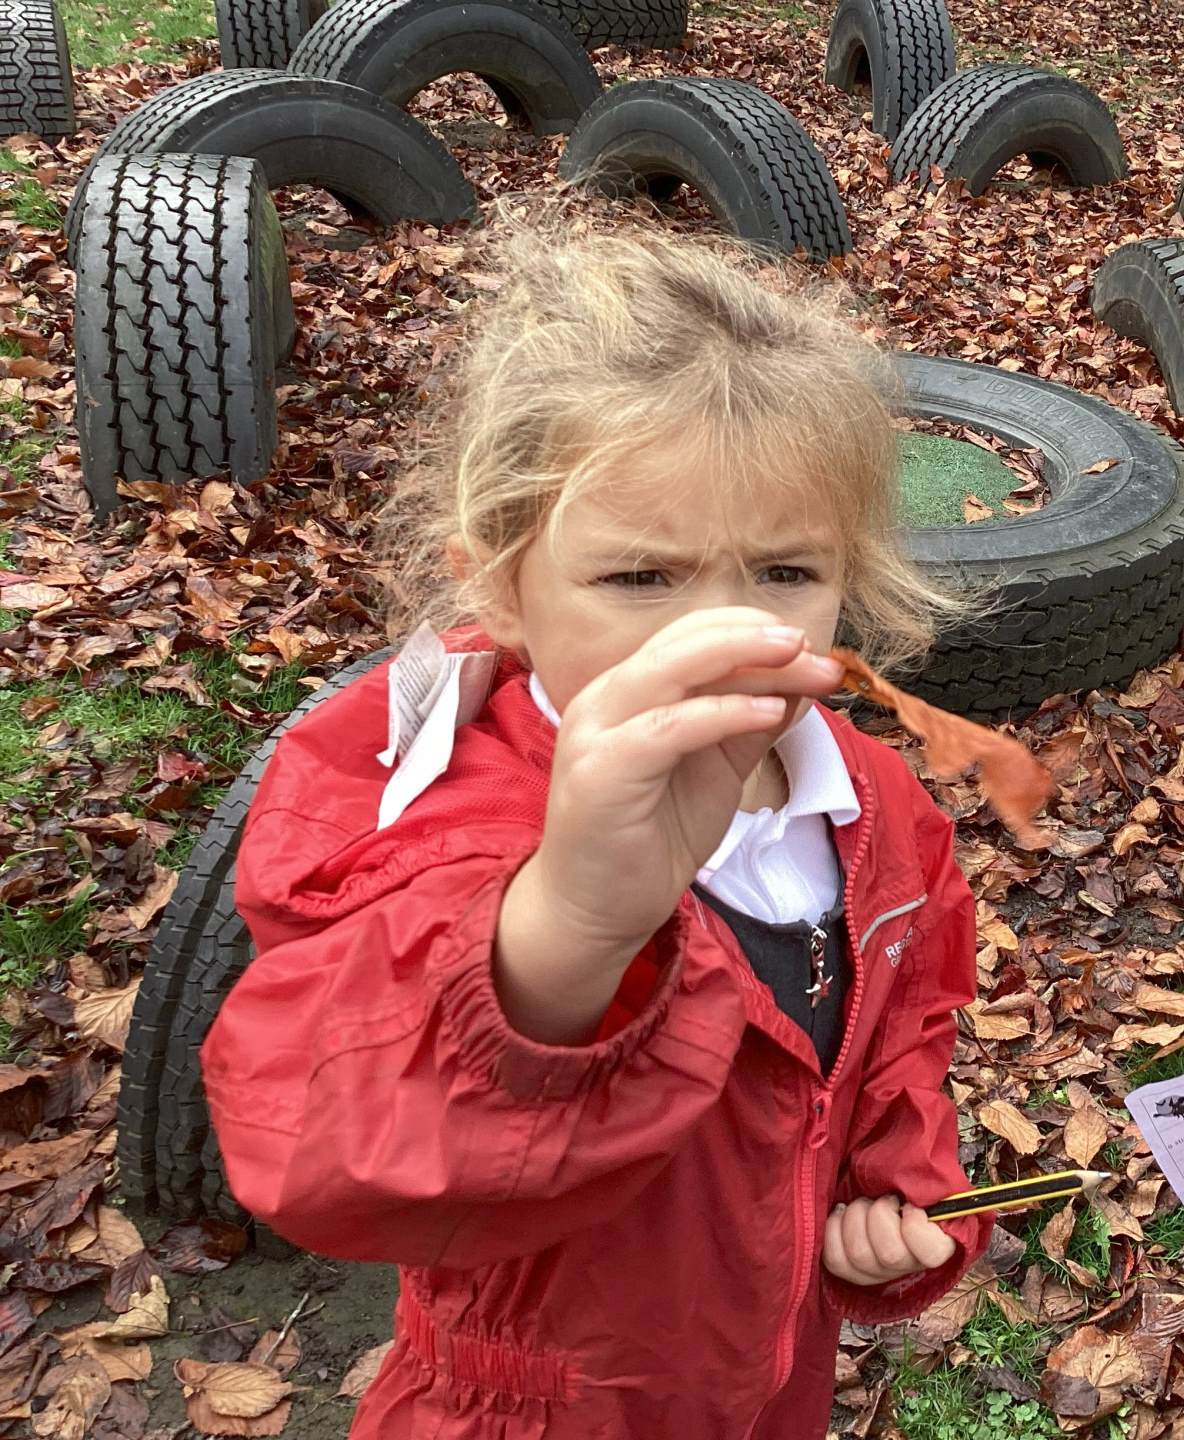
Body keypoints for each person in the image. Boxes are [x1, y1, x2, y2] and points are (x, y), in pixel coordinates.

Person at [200, 226, 993, 1439]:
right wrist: (569, 920)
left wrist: (898, 1181)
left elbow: (906, 1020)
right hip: (532, 1405)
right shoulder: (428, 811)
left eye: (786, 572)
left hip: (769, 1373)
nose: (721, 633)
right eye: (640, 579)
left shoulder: (876, 805)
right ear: (500, 587)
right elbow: (314, 1149)